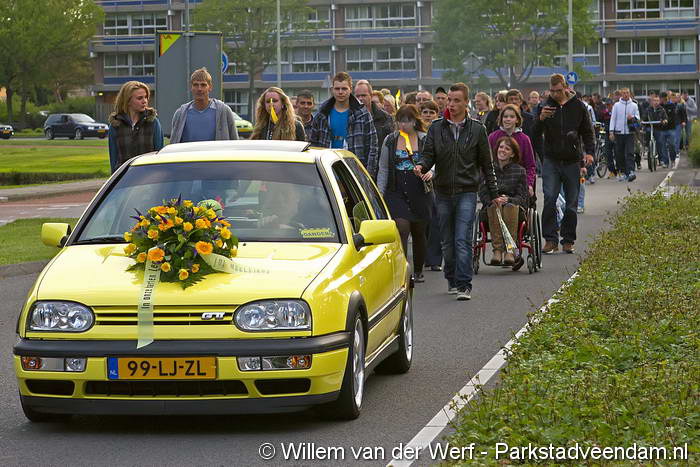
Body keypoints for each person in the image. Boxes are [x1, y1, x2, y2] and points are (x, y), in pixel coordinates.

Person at [414, 82, 501, 300]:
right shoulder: (436, 127)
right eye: (449, 100)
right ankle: (451, 277)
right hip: (442, 191)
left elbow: (487, 164)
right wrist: (421, 166)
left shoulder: (477, 129)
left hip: (467, 191)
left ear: (466, 103)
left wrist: (494, 194)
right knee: (447, 241)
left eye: (456, 101)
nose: (451, 105)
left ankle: (464, 284)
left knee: (462, 238)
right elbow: (428, 155)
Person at [533, 73, 594, 255]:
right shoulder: (545, 106)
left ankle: (568, 240)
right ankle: (550, 240)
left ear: (566, 88)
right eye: (552, 91)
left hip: (572, 160)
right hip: (551, 159)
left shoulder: (578, 106)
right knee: (550, 199)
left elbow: (587, 131)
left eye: (558, 91)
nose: (555, 94)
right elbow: (534, 134)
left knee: (571, 204)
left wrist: (589, 153)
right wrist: (541, 119)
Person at [377, 105, 432, 283]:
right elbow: (383, 168)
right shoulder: (390, 140)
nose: (403, 125)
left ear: (415, 121)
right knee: (402, 227)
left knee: (418, 231)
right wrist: (380, 193)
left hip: (419, 190)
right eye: (400, 120)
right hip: (396, 189)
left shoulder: (424, 139)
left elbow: (434, 160)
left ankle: (418, 270)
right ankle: (402, 269)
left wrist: (431, 172)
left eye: (407, 121)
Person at [309, 72, 379, 175]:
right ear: (332, 90)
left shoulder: (362, 113)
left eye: (344, 89)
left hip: (355, 170)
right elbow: (313, 144)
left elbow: (373, 146)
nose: (340, 92)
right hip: (327, 168)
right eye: (337, 89)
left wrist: (368, 175)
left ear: (350, 89)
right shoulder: (322, 114)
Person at [478, 136, 528, 266]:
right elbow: (482, 192)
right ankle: (497, 251)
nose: (503, 150)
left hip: (514, 208)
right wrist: (494, 199)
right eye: (501, 147)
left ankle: (510, 251)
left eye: (507, 148)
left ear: (512, 154)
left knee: (509, 206)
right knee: (496, 206)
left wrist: (508, 199)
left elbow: (523, 197)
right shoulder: (487, 169)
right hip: (491, 207)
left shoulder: (520, 171)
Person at [170, 67, 238, 143]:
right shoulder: (180, 114)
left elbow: (235, 142)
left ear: (210, 87)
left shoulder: (224, 111)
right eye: (195, 85)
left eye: (203, 85)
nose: (199, 89)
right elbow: (173, 143)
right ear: (191, 87)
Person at [108, 81, 163, 173]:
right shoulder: (116, 124)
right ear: (128, 101)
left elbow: (159, 154)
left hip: (149, 176)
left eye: (146, 97)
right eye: (139, 98)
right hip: (125, 177)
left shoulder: (153, 122)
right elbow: (113, 159)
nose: (144, 101)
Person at [487, 104, 536, 197]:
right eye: (505, 116)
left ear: (517, 119)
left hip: (518, 182)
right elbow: (487, 162)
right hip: (497, 182)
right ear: (501, 118)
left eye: (512, 117)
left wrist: (529, 184)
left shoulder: (524, 139)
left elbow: (530, 166)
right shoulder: (493, 137)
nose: (508, 119)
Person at [609, 87, 640, 182]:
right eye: (624, 93)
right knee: (619, 154)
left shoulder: (634, 105)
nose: (626, 94)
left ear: (629, 94)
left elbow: (638, 118)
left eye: (627, 93)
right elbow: (613, 119)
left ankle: (631, 171)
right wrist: (611, 131)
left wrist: (632, 117)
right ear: (621, 94)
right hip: (618, 132)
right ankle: (623, 172)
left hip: (630, 132)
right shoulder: (616, 105)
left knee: (630, 152)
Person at [355, 79, 395, 153]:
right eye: (357, 96)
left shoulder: (385, 117)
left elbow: (391, 144)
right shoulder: (351, 117)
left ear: (371, 95)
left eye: (363, 95)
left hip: (379, 158)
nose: (360, 98)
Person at [646, 95, 669, 167]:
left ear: (659, 101)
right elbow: (644, 117)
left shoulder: (661, 109)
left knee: (659, 142)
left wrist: (665, 120)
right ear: (652, 101)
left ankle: (661, 159)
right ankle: (648, 148)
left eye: (657, 101)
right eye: (654, 100)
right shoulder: (648, 109)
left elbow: (665, 118)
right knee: (647, 134)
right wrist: (642, 121)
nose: (656, 102)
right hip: (650, 127)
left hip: (658, 128)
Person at [659, 91, 678, 167]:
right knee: (663, 146)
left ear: (664, 98)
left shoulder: (672, 105)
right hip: (662, 129)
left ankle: (673, 159)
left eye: (661, 98)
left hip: (671, 128)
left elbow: (674, 117)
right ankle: (666, 162)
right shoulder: (659, 107)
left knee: (672, 145)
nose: (660, 99)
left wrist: (666, 120)